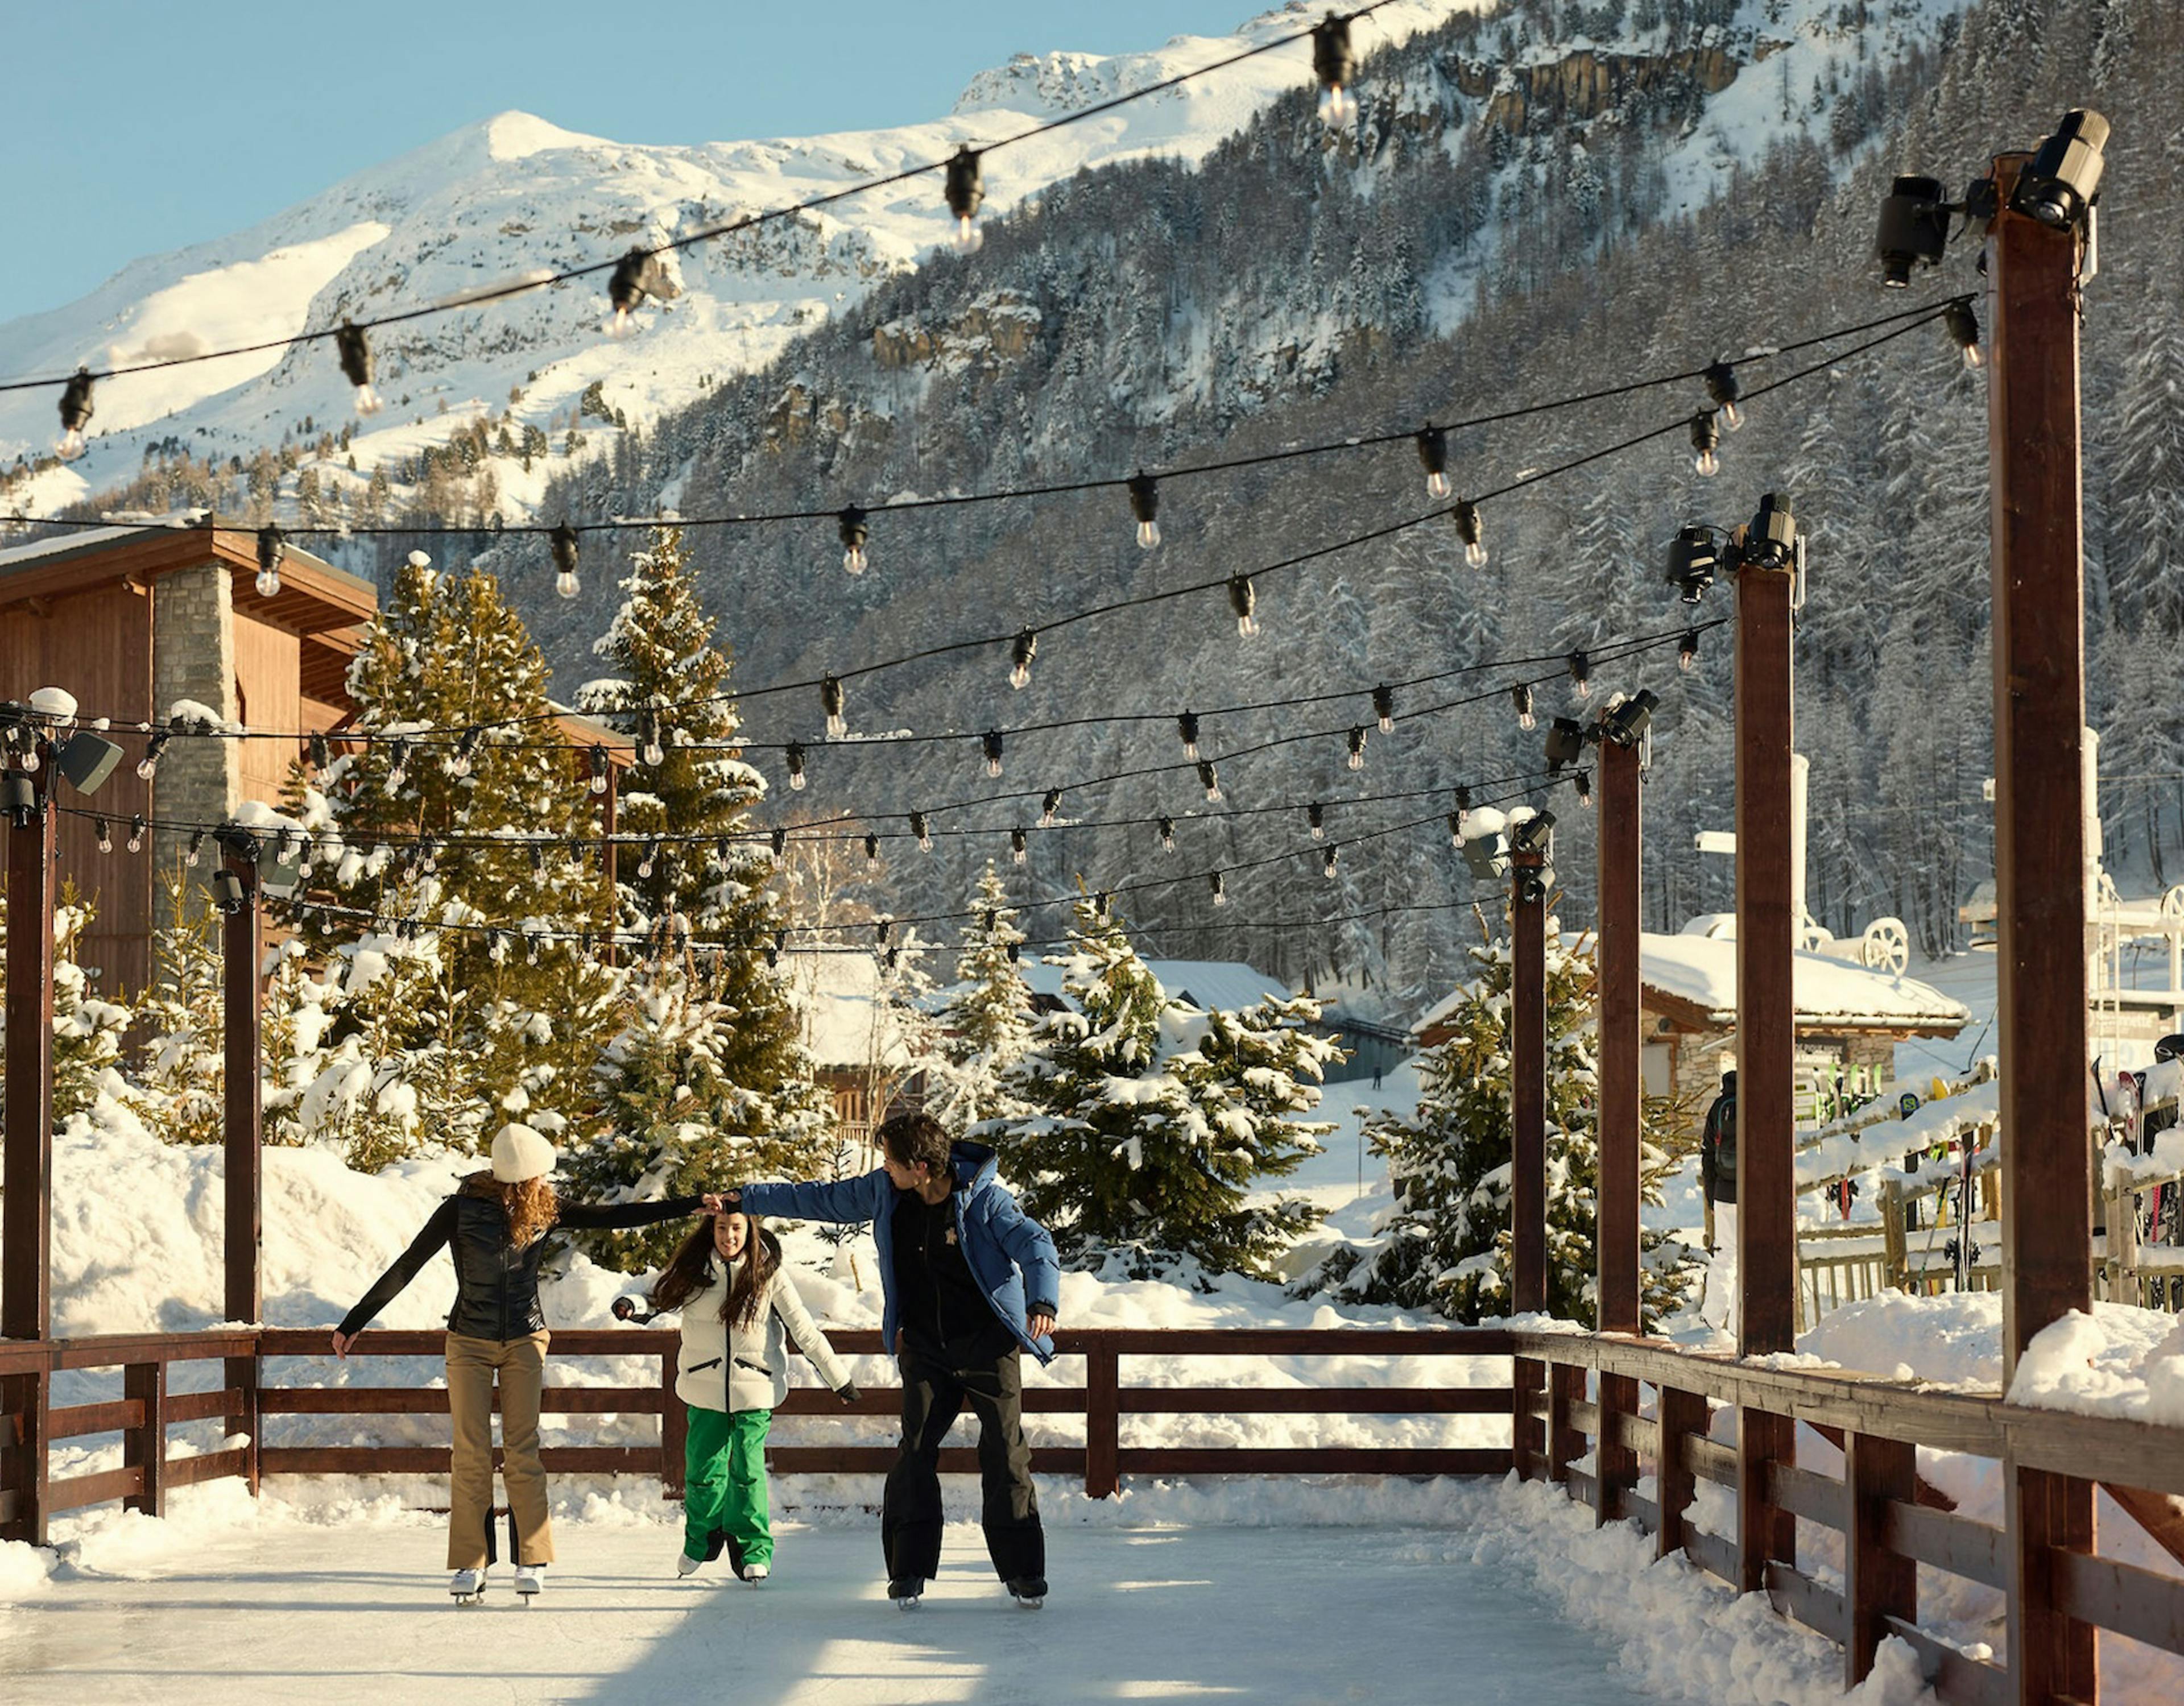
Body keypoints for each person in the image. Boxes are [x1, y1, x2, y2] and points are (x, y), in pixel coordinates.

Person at [332, 1122, 706, 1603]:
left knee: (521, 1449)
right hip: (468, 1339)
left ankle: (533, 1556)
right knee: (470, 1452)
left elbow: (619, 1215)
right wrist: (355, 1320)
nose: (541, 1183)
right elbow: (409, 1264)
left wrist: (691, 1203)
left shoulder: (546, 1209)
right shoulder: (459, 1210)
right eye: (537, 1176)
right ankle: (471, 1563)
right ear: (524, 1175)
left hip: (526, 1339)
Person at [718, 1109, 1060, 1610]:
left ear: (920, 1166)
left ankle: (1024, 1573)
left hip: (987, 1344)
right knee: (915, 1451)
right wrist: (746, 1198)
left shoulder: (983, 1200)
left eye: (890, 1160)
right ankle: (908, 1572)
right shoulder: (886, 1191)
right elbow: (821, 1198)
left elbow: (1035, 1243)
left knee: (1005, 1452)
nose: (884, 1167)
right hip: (925, 1346)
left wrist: (1042, 1301)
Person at [647, 1207, 859, 1583]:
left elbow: (804, 1329)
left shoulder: (768, 1275)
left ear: (751, 1231)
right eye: (722, 1228)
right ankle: (701, 1541)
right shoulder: (695, 1271)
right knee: (702, 1472)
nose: (729, 1236)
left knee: (747, 1469)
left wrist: (838, 1378)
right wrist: (631, 1306)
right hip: (704, 1386)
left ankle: (753, 1548)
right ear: (710, 1231)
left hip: (755, 1388)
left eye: (737, 1229)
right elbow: (653, 1295)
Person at [1698, 1067, 1738, 1334]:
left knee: (1725, 1256)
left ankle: (1712, 1321)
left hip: (1725, 1193)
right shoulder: (1757, 1101)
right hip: (1756, 1193)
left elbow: (1708, 1153)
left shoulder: (1719, 1107)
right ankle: (1738, 1324)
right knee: (1752, 1258)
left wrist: (1713, 1196)